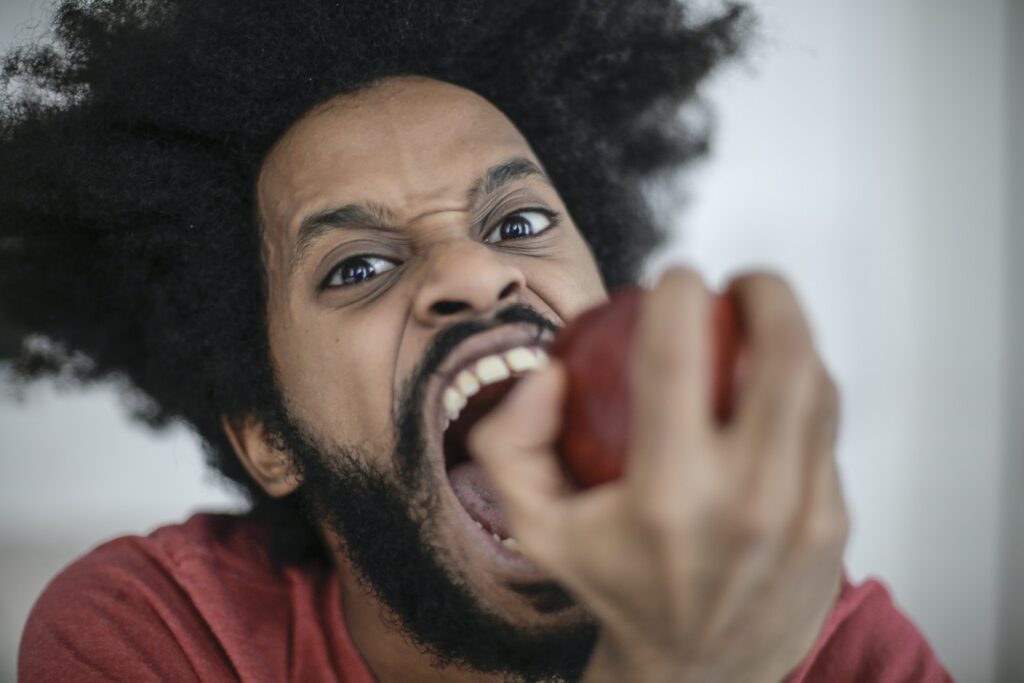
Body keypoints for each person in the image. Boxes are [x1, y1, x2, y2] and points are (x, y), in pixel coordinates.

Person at [2, 1, 951, 681]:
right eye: (357, 267)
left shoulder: (835, 649)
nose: (471, 270)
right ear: (268, 434)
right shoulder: (157, 636)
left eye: (520, 223)